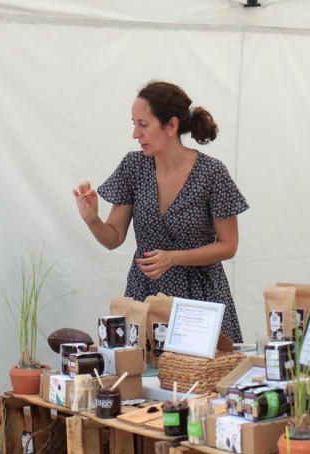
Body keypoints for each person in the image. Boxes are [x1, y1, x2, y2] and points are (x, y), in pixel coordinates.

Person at [73, 81, 249, 342]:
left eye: (143, 124)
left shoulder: (212, 173)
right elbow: (113, 238)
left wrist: (173, 258)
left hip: (199, 299)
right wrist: (92, 219)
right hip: (145, 297)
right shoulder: (133, 167)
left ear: (171, 125)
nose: (135, 133)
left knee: (202, 379)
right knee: (140, 377)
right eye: (133, 123)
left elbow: (228, 246)